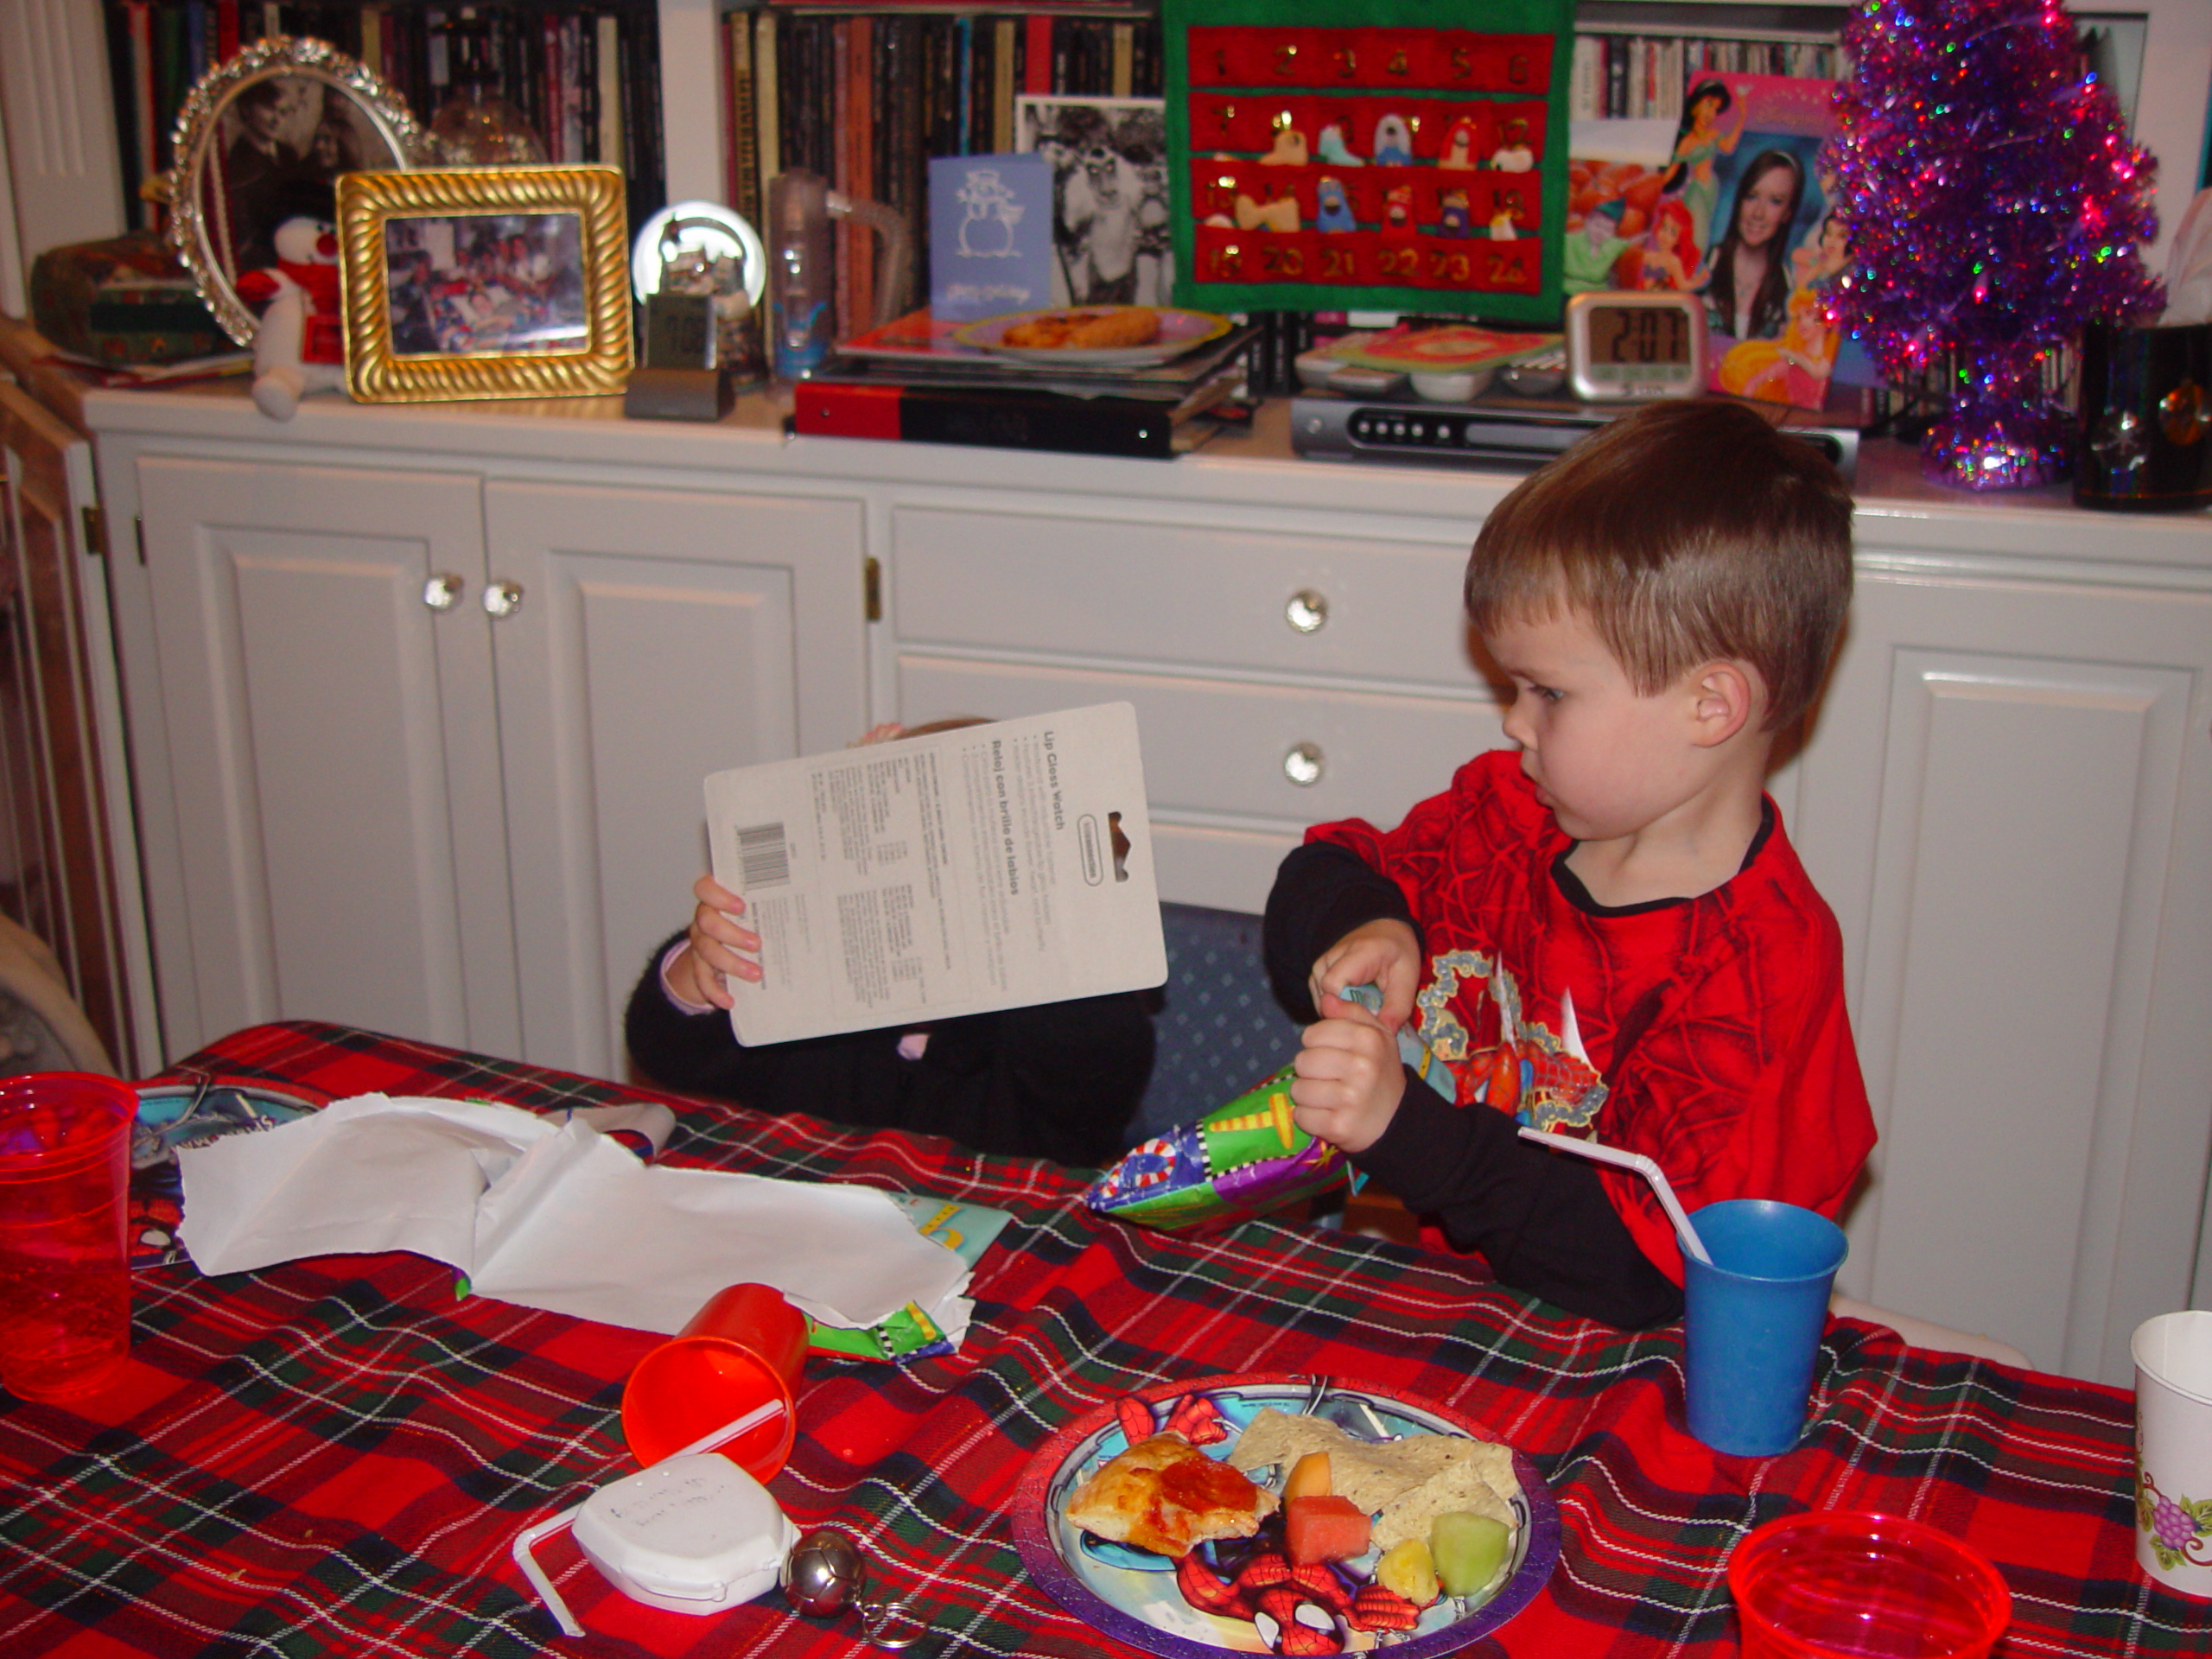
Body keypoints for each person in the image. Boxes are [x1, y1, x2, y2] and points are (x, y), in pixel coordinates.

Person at [1262, 398, 1874, 1330]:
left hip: (1618, 1375)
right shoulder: (1505, 816)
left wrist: (1407, 1133)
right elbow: (1321, 873)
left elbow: (1651, 1278)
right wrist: (1367, 926)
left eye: (1548, 691)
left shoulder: (1758, 974)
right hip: (1432, 1317)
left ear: (1709, 707)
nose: (1514, 721)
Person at [625, 721, 1155, 1167]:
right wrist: (702, 970)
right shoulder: (816, 999)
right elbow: (669, 1052)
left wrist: (1044, 924)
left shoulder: (1057, 1027)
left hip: (1010, 1242)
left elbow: (1094, 1063)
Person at [1697, 149, 1806, 342]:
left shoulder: (1789, 287)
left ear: (1787, 213)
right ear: (1739, 200)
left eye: (1775, 201)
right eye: (1752, 196)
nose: (1758, 213)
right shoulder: (1703, 265)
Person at [1660, 79, 1745, 250]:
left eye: (1715, 109)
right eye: (1708, 104)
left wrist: (1742, 116)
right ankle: (1690, 269)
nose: (1711, 113)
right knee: (1699, 233)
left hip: (1712, 187)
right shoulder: (1687, 141)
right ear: (1695, 106)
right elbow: (1671, 172)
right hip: (1696, 189)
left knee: (1707, 228)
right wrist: (1657, 187)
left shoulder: (1714, 134)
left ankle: (1694, 268)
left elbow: (1729, 147)